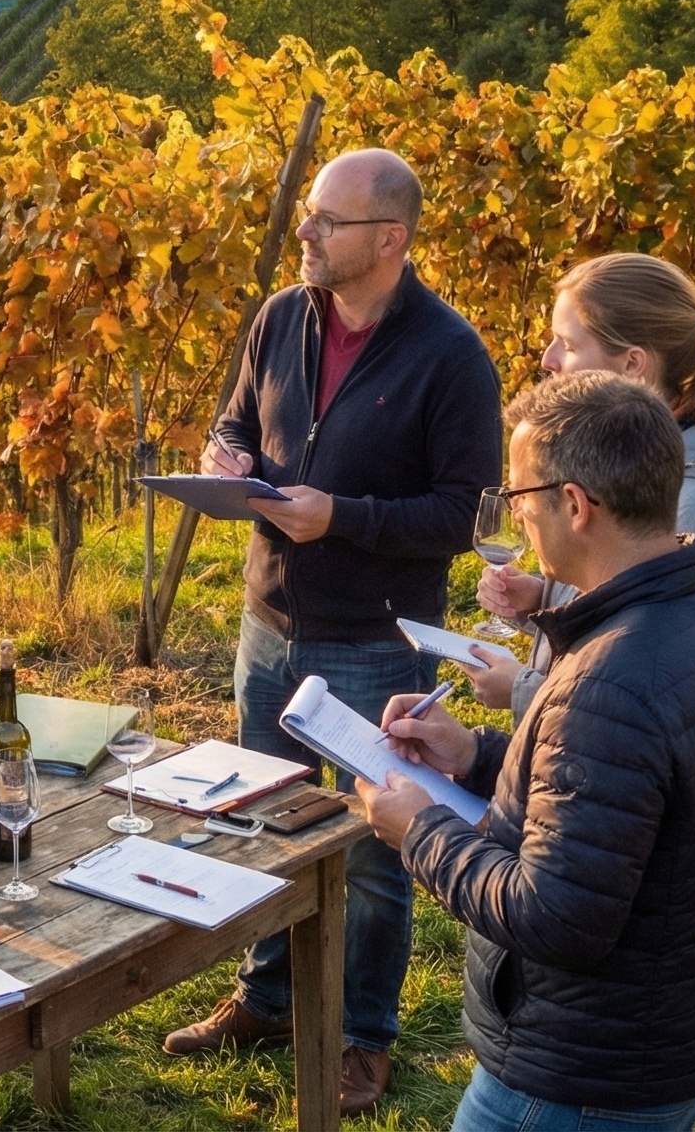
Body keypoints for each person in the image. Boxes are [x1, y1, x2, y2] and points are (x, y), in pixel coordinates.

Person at [162, 147, 502, 1116]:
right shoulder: (280, 318)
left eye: (326, 220)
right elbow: (236, 426)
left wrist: (340, 515)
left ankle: (363, 1037)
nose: (304, 231)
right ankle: (267, 997)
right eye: (310, 216)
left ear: (388, 239)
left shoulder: (450, 354)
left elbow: (457, 514)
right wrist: (227, 460)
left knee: (370, 844)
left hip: (375, 640)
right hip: (268, 621)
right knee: (268, 814)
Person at [357, 372, 695, 1132]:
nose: (517, 517)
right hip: (675, 1030)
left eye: (522, 497)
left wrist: (419, 830)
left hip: (581, 1075)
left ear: (576, 505)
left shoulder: (610, 680)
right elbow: (633, 803)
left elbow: (555, 916)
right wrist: (472, 755)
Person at [467, 251, 695, 721]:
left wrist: (524, 690)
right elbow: (633, 610)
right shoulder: (631, 467)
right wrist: (544, 598)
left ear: (633, 363)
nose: (547, 360)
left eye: (567, 344)